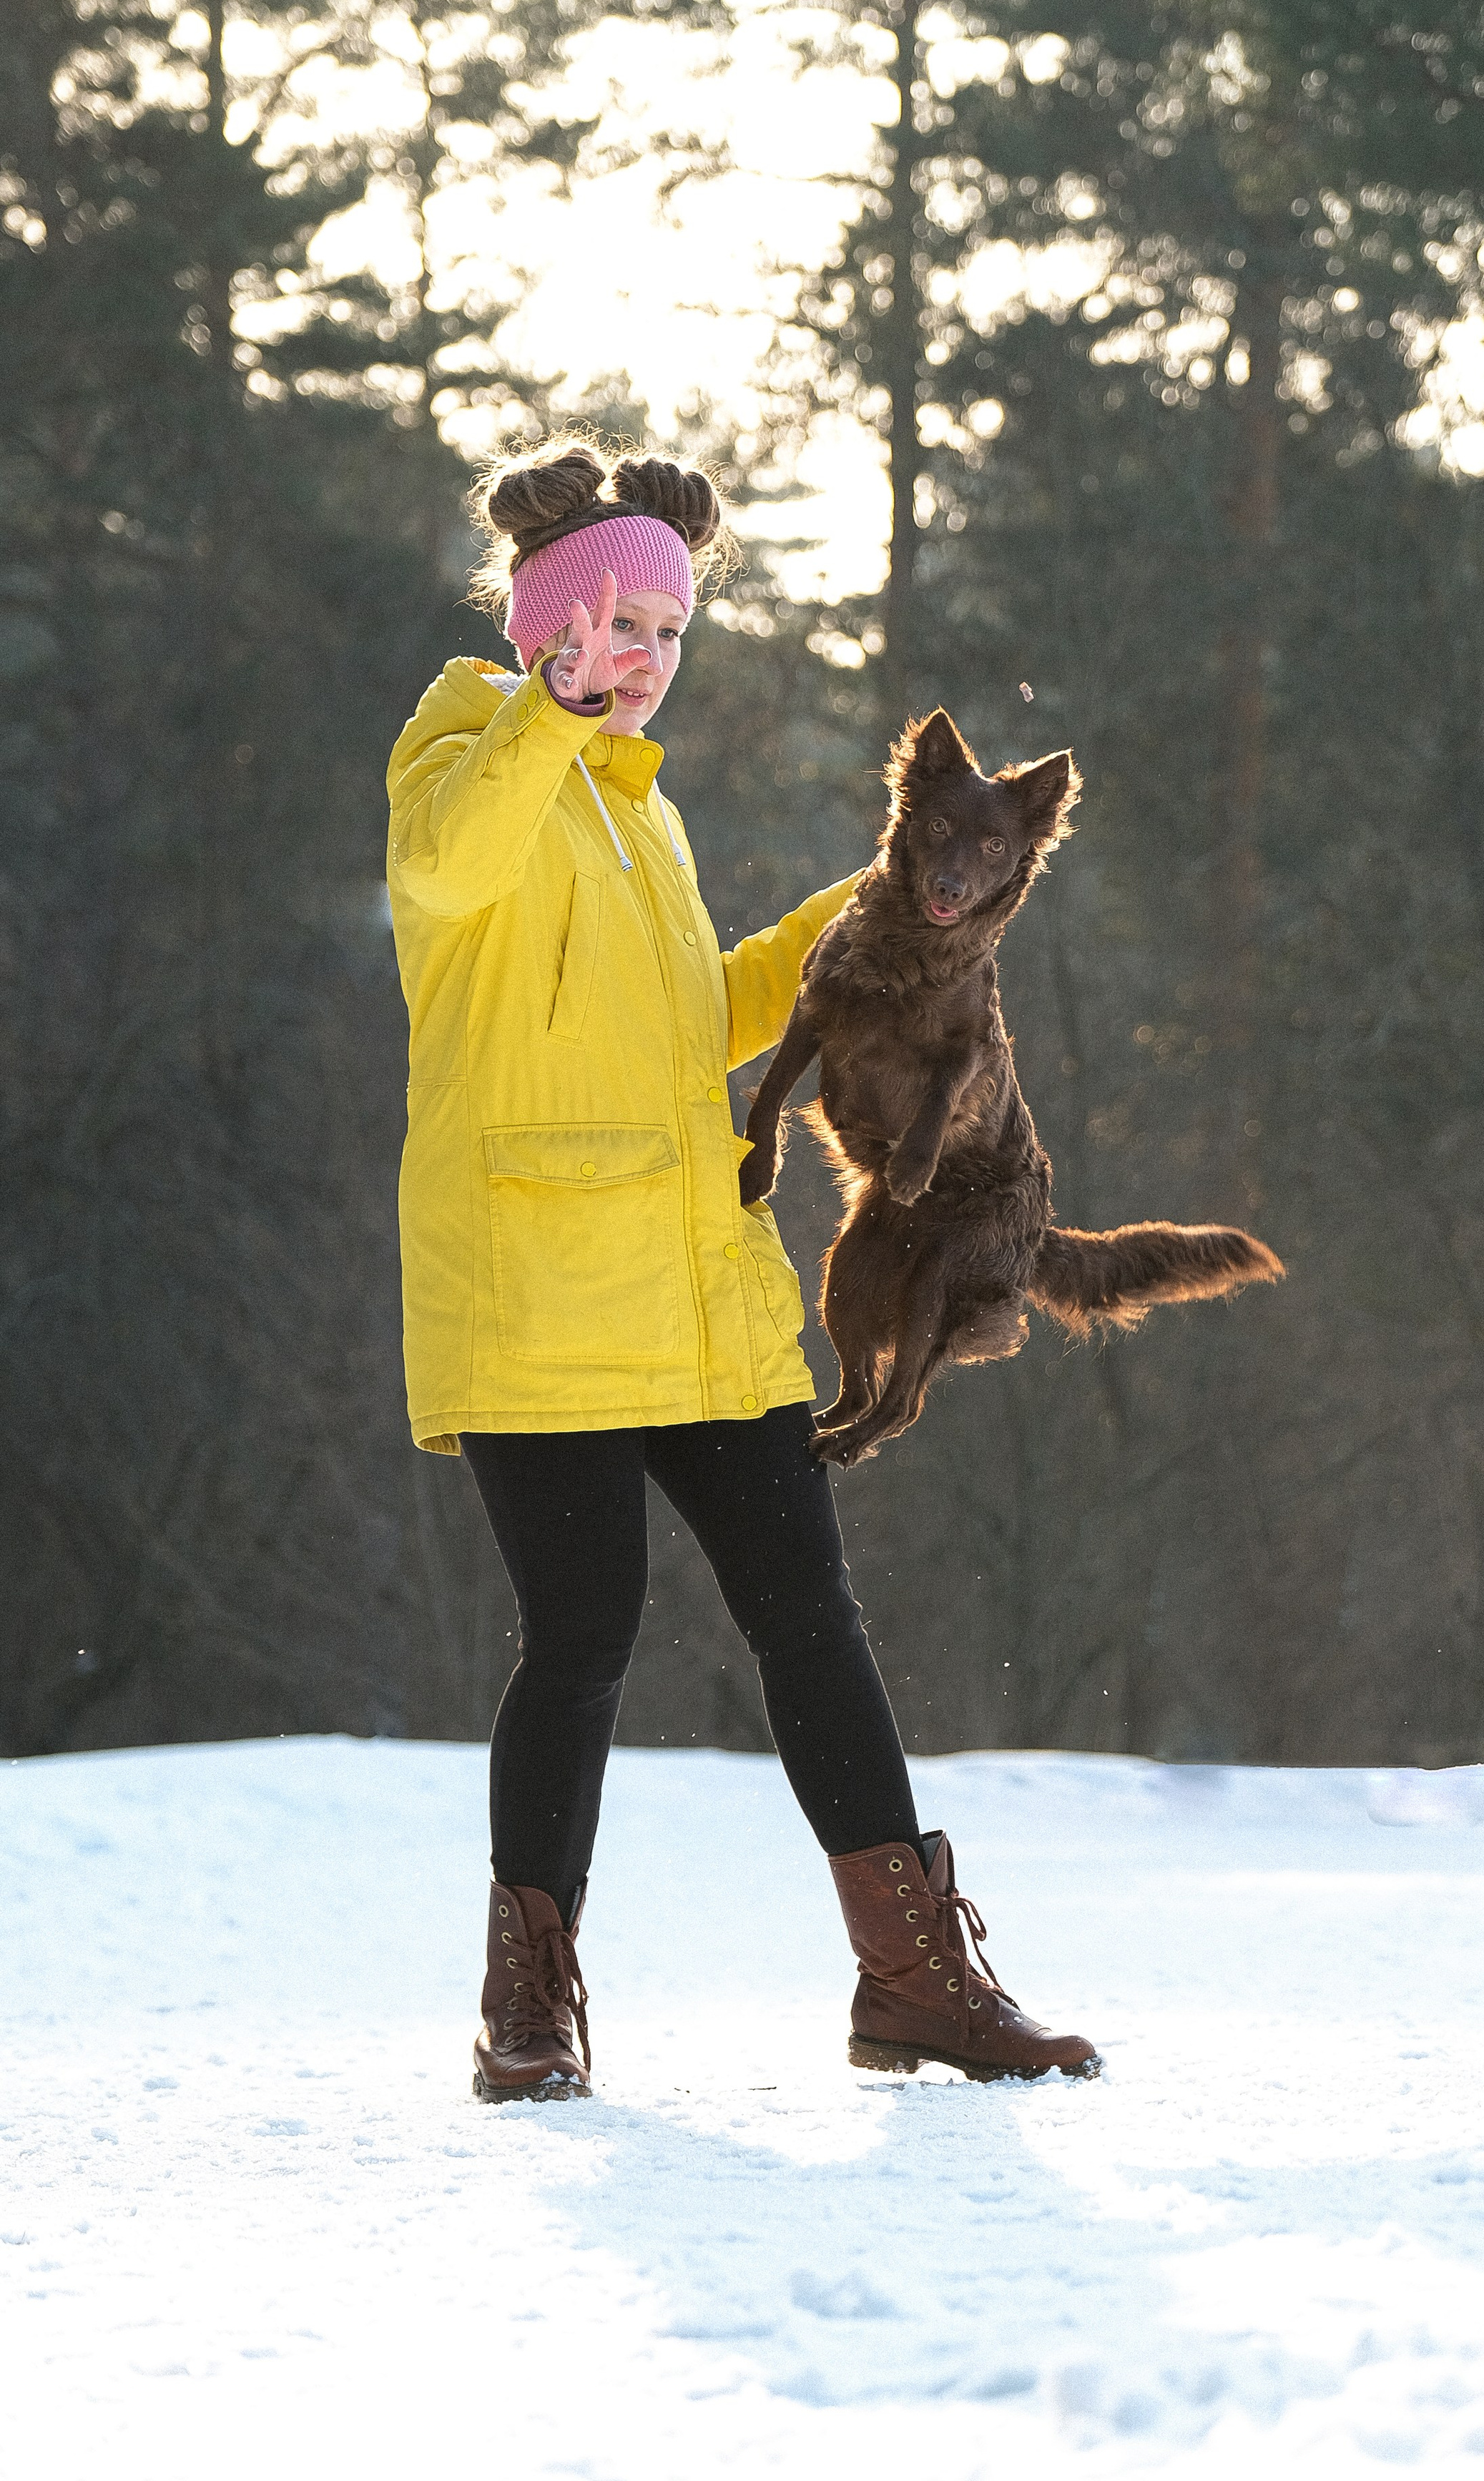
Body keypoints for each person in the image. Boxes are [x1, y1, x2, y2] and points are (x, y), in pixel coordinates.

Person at [385, 434, 1099, 2100]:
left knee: (809, 1617)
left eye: (666, 631)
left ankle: (912, 1978)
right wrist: (548, 711)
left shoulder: (640, 813)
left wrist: (885, 904)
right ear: (543, 619)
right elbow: (446, 869)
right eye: (612, 622)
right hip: (542, 1292)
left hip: (697, 1288)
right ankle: (526, 2002)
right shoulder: (462, 744)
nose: (639, 656)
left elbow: (691, 1021)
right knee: (582, 1637)